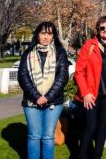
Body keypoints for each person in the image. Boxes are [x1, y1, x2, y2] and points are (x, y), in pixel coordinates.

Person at [18, 21, 69, 159]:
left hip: (53, 101)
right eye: (43, 33)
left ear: (54, 36)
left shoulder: (60, 52)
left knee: (47, 136)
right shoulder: (28, 53)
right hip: (31, 101)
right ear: (37, 35)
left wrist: (47, 97)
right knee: (34, 136)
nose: (46, 37)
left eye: (49, 33)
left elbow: (62, 77)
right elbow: (23, 77)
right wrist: (36, 97)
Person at [75, 16, 106, 159]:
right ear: (98, 30)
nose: (105, 30)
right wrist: (85, 93)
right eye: (102, 28)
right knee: (91, 127)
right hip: (91, 95)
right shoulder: (89, 46)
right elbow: (79, 72)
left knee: (102, 130)